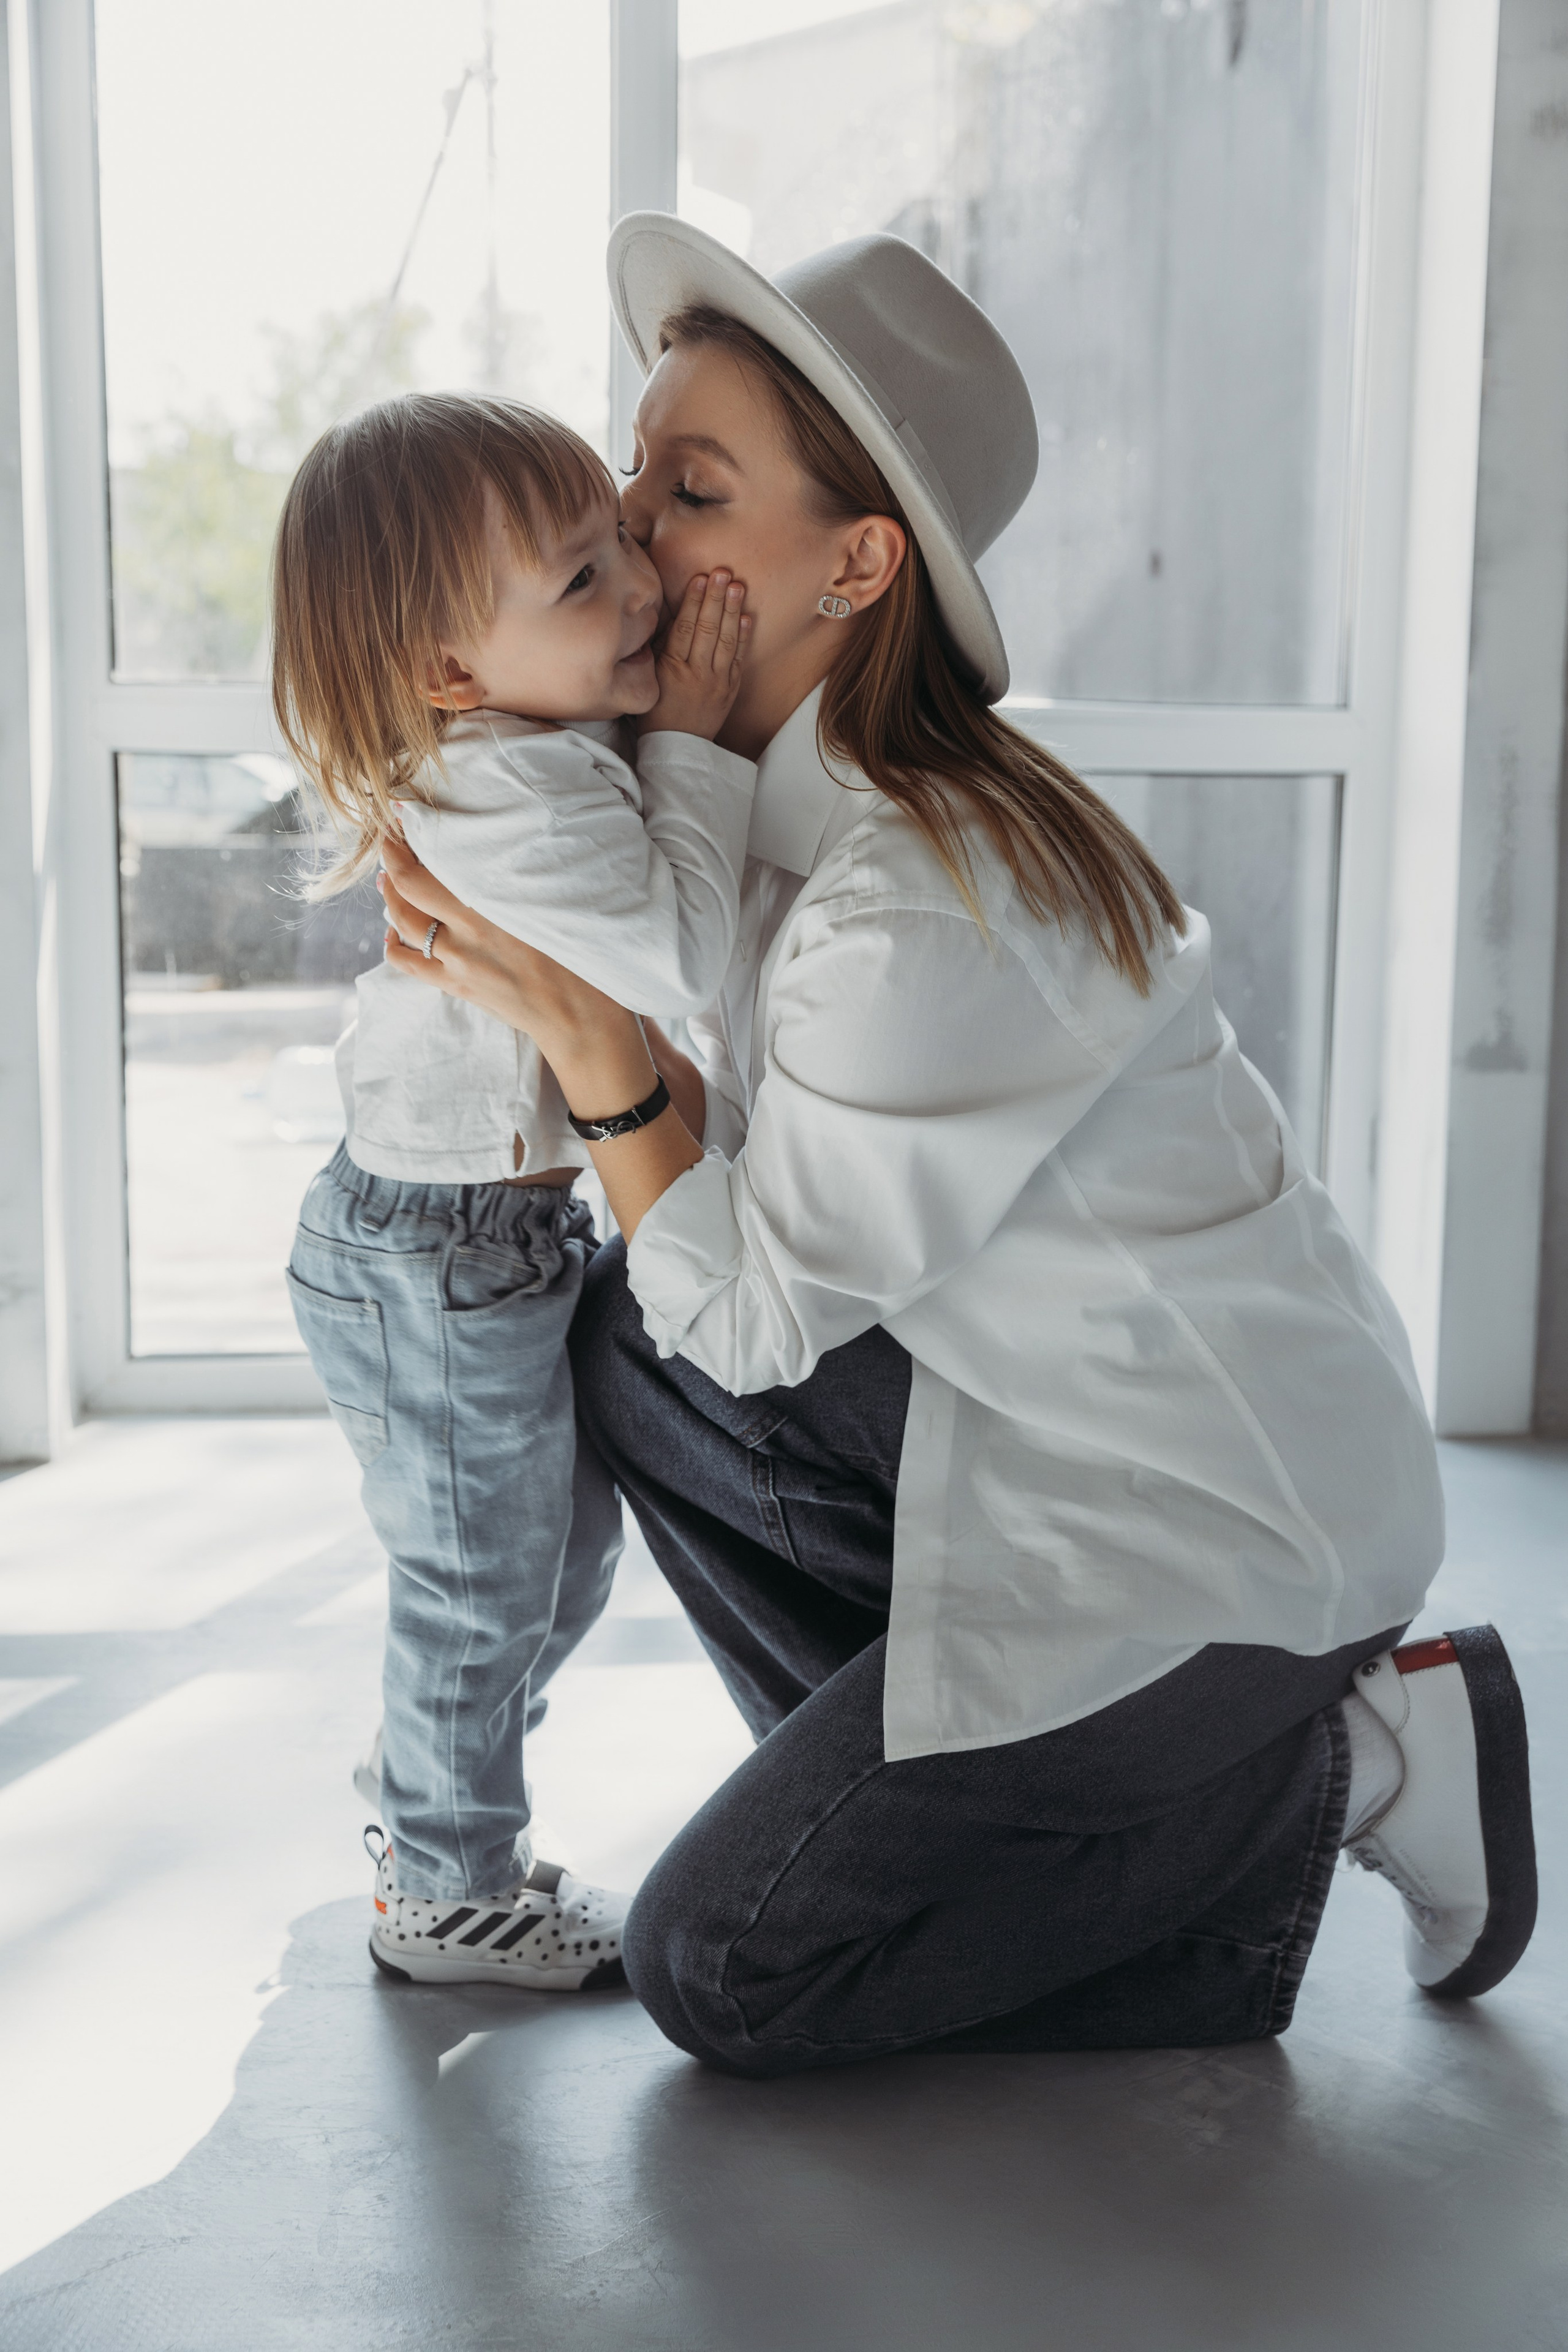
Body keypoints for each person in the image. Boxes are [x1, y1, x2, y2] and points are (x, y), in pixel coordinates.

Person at [376, 220, 1537, 2072]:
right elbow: (720, 1283)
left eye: (692, 489)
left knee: (733, 1971)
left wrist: (594, 1049)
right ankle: (977, 1820)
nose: (632, 534)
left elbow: (755, 1319)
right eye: (631, 471)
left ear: (853, 564)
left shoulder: (915, 902)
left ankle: (1343, 1763)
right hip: (1033, 1409)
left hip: (1222, 1532)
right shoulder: (749, 814)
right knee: (620, 1334)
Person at [271, 390, 756, 1989]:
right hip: (436, 1248)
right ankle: (445, 1889)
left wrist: (643, 715)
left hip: (482, 1234)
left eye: (624, 542)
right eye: (581, 585)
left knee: (550, 1566)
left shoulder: (524, 742)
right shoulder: (519, 789)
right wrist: (687, 728)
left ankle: (429, 1813)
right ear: (447, 676)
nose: (639, 592)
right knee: (485, 1590)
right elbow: (675, 954)